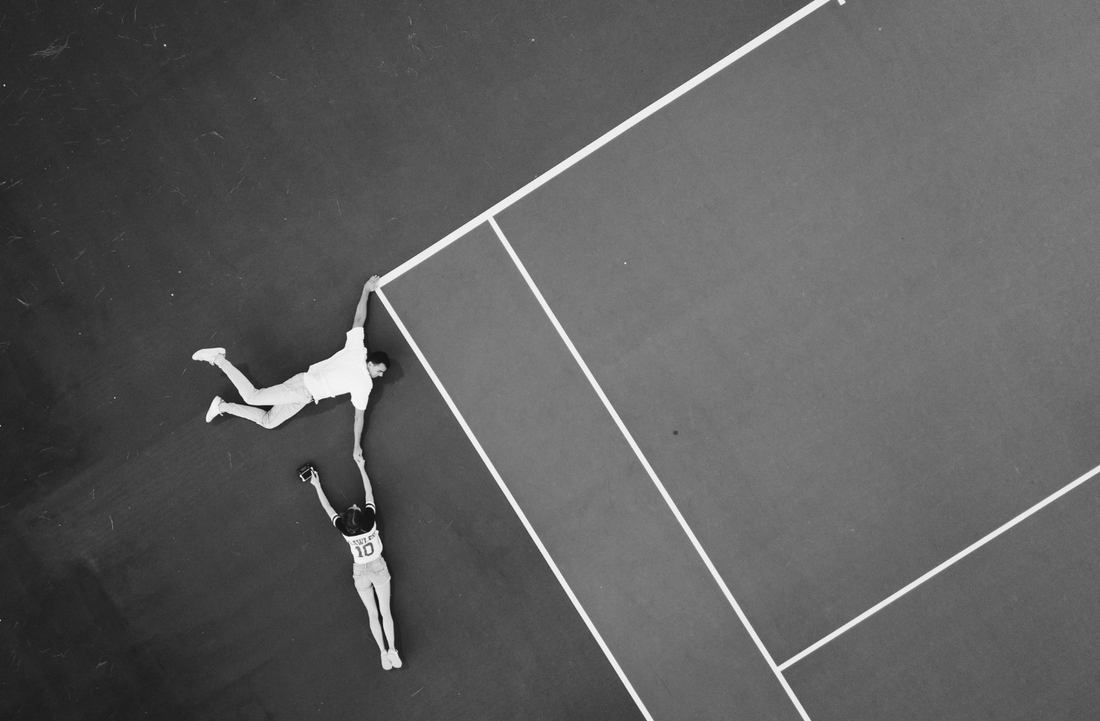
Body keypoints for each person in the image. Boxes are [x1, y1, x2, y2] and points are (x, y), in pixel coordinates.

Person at [191, 275, 389, 455]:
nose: (380, 376)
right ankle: (218, 359)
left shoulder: (358, 350)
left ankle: (222, 406)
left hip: (305, 397)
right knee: (252, 396)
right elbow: (358, 418)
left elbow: (359, 320)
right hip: (301, 388)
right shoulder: (363, 375)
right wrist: (356, 446)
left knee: (268, 422)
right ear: (371, 363)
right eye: (380, 371)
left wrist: (365, 290)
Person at [306, 459, 402, 670]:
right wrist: (361, 467)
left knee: (372, 614)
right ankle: (393, 649)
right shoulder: (369, 522)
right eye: (355, 507)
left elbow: (328, 508)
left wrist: (317, 486)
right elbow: (369, 493)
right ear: (360, 516)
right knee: (386, 611)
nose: (354, 504)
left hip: (360, 573)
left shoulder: (344, 529)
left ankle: (382, 653)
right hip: (377, 567)